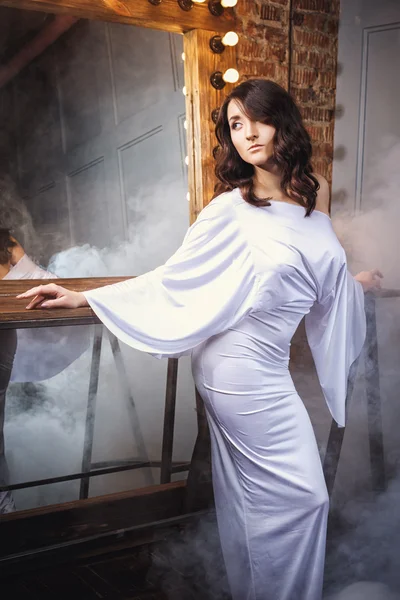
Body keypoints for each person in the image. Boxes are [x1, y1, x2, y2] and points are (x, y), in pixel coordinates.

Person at [18, 79, 382, 600]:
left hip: (263, 370)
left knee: (267, 501)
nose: (248, 133)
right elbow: (172, 278)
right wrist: (85, 297)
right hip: (238, 373)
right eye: (235, 124)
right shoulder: (231, 210)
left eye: (256, 118)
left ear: (284, 123)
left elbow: (320, 280)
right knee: (305, 498)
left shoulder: (314, 217)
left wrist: (356, 283)